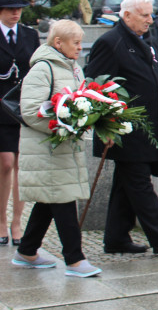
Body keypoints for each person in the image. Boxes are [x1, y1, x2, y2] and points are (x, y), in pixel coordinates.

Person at [84, 0, 158, 256]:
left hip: (149, 127)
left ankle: (116, 238)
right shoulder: (110, 42)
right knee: (139, 183)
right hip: (124, 129)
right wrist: (105, 125)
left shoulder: (146, 40)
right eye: (144, 15)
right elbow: (96, 86)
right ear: (126, 15)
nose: (150, 20)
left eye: (151, 14)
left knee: (125, 184)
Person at [12, 20, 101, 276]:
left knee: (49, 199)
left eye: (80, 42)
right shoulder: (42, 69)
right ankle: (74, 259)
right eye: (75, 43)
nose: (79, 47)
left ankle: (27, 251)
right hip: (47, 148)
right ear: (58, 43)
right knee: (62, 199)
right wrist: (64, 125)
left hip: (61, 147)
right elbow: (29, 111)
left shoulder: (73, 68)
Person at [0, 0, 39, 246]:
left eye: (19, 8)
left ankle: (17, 223)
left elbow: (35, 68)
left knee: (22, 166)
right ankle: (0, 221)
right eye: (10, 9)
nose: (16, 12)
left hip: (22, 107)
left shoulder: (30, 34)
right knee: (5, 163)